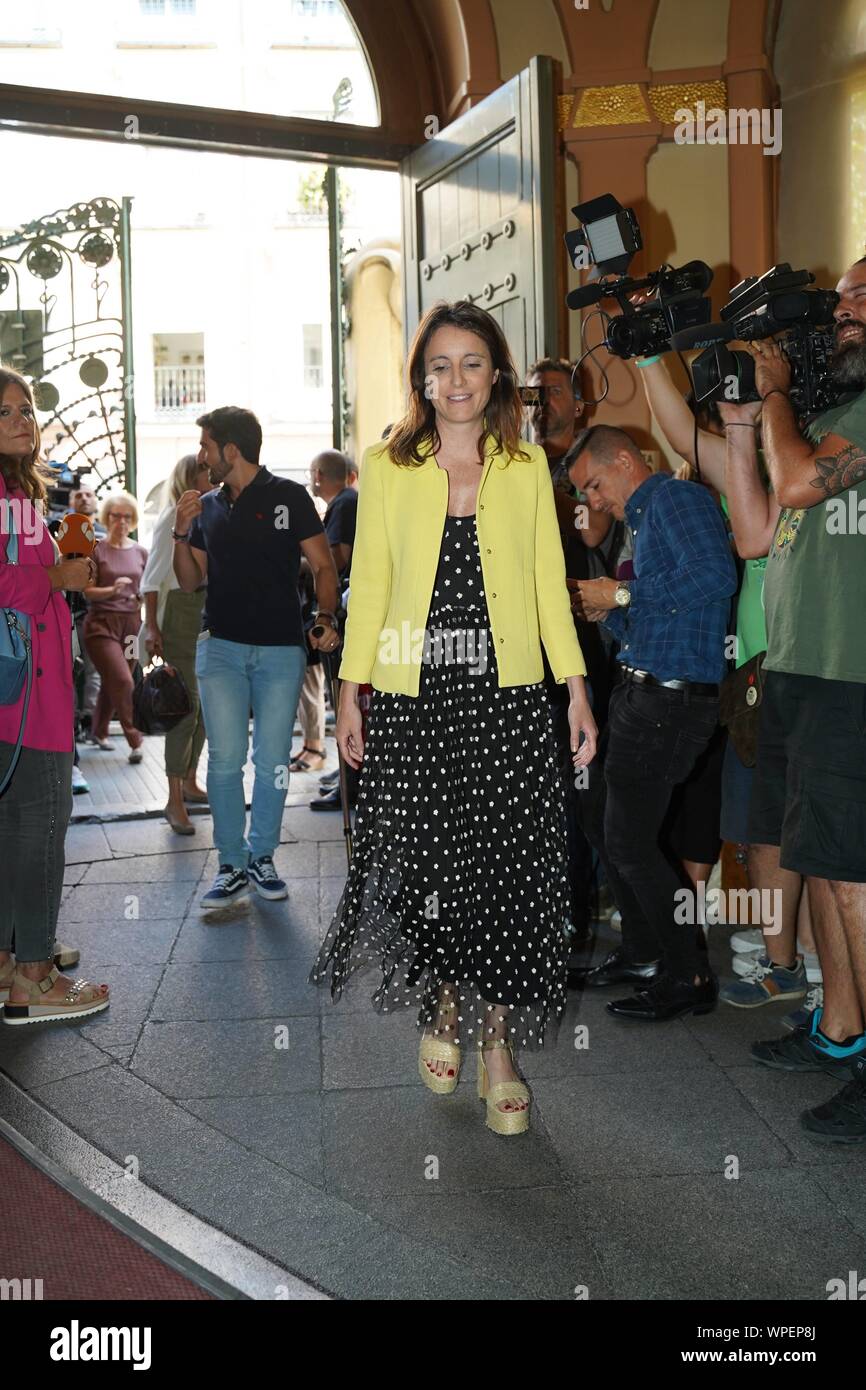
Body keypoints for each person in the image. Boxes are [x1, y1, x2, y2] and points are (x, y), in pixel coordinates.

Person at [310, 300, 596, 1138]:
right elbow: (374, 591)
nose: (458, 379)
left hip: (507, 700)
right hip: (416, 699)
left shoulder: (523, 464)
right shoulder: (388, 466)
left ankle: (498, 1047)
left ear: (497, 374)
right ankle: (442, 1001)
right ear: (421, 378)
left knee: (511, 868)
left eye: (473, 362)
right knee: (434, 867)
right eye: (442, 365)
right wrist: (349, 691)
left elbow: (549, 585)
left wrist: (574, 689)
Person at [635, 350, 817, 1017]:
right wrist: (648, 353)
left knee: (806, 829)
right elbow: (680, 434)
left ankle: (813, 960)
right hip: (748, 678)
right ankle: (784, 962)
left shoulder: (810, 464)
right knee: (758, 830)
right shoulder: (749, 464)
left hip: (801, 667)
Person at [737, 258, 866, 1141]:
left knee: (856, 879)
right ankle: (841, 1027)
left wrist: (774, 395)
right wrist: (747, 412)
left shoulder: (844, 427)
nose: (846, 310)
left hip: (852, 680)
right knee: (821, 860)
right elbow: (757, 524)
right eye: (846, 298)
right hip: (802, 672)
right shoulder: (823, 418)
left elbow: (792, 487)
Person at [570, 423, 737, 1021]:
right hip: (643, 693)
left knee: (631, 841)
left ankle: (689, 973)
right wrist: (596, 607)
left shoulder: (673, 498)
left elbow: (716, 577)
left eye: (593, 484)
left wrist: (616, 598)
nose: (591, 502)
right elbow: (652, 620)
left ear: (623, 459)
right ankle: (643, 953)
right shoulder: (642, 519)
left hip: (671, 701)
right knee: (600, 817)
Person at [173, 406, 340, 907]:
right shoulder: (207, 506)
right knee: (224, 761)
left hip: (280, 649)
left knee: (271, 761)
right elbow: (187, 580)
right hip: (219, 645)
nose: (202, 458)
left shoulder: (288, 497)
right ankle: (231, 863)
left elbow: (323, 565)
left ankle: (262, 857)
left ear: (231, 450)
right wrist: (180, 533)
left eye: (206, 447)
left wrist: (326, 617)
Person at [0, 365, 109, 1024]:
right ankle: (35, 977)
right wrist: (56, 576)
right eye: (6, 411)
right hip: (26, 693)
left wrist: (63, 575)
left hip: (20, 687)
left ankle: (12, 962)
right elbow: (10, 588)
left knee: (14, 828)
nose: (22, 421)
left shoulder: (18, 493)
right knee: (42, 826)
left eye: (27, 410)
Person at [141, 453, 212, 834]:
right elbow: (151, 579)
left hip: (203, 610)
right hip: (179, 615)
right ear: (191, 477)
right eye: (205, 470)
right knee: (185, 709)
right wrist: (152, 627)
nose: (212, 474)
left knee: (202, 709)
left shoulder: (210, 513)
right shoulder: (173, 517)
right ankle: (174, 800)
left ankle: (187, 781)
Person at [291, 450, 358, 779]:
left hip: (342, 611)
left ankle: (349, 772)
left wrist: (298, 561)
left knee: (339, 690)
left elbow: (335, 561)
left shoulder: (345, 504)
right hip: (344, 609)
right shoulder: (345, 502)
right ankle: (345, 769)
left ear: (319, 474)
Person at [81, 491, 148, 763]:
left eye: (126, 516)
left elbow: (149, 586)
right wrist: (112, 590)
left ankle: (98, 730)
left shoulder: (141, 551)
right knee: (122, 680)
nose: (121, 520)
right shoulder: (96, 548)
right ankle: (136, 739)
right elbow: (86, 591)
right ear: (106, 517)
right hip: (101, 625)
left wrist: (142, 596)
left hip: (132, 625)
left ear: (132, 520)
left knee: (116, 682)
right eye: (115, 515)